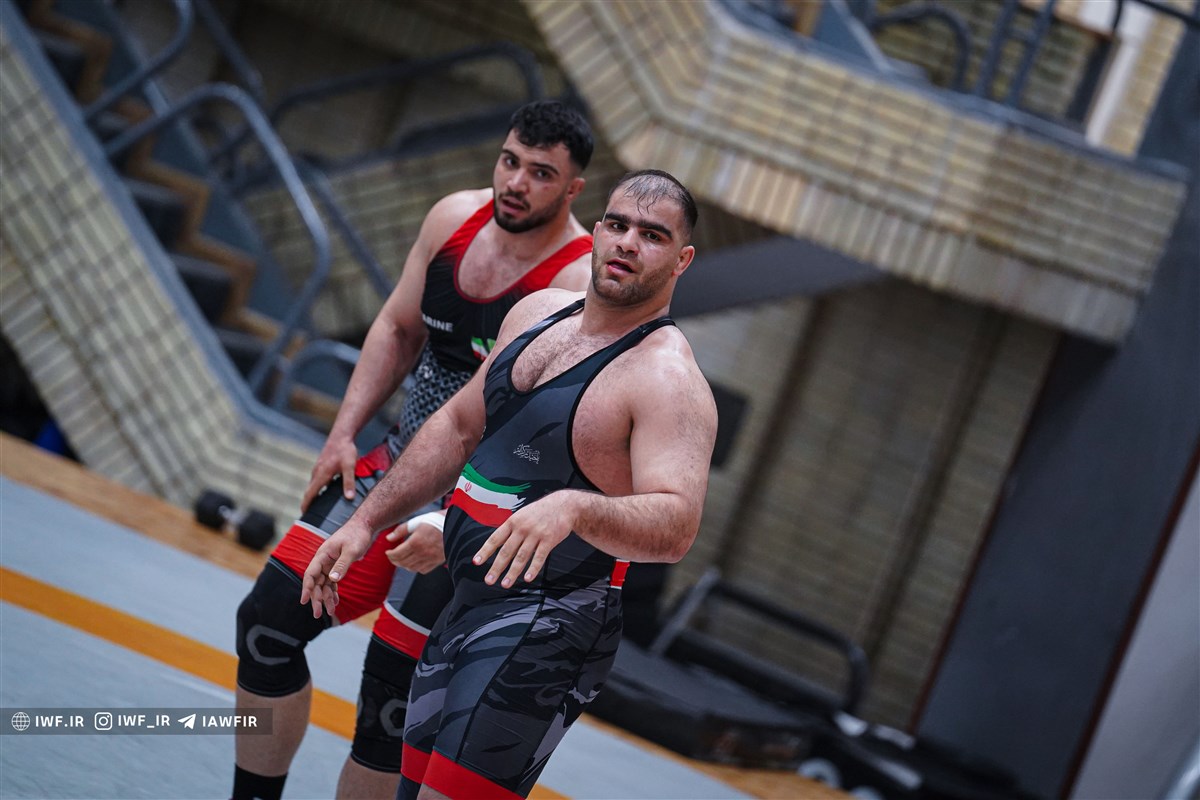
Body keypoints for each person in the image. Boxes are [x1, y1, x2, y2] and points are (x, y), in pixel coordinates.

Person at [301, 169, 718, 800]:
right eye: (618, 225)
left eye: (653, 235)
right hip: (464, 599)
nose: (628, 243)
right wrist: (364, 521)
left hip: (551, 622)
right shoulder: (536, 314)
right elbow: (458, 427)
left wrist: (576, 508)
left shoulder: (667, 380)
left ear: (682, 259)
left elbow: (678, 524)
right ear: (597, 231)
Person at [232, 100, 596, 800]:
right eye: (510, 161)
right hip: (398, 466)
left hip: (472, 511)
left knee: (388, 712)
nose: (516, 183)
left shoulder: (573, 284)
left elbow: (541, 432)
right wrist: (343, 432)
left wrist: (454, 519)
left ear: (573, 188)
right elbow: (399, 328)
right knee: (266, 626)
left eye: (541, 174)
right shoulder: (452, 219)